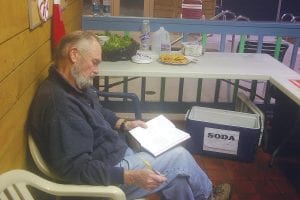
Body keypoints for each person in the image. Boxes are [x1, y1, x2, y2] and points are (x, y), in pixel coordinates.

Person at [28, 31, 231, 200]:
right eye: (95, 62)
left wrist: (124, 123)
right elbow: (75, 169)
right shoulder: (59, 106)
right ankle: (209, 195)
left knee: (177, 178)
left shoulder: (74, 86)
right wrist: (130, 176)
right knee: (179, 158)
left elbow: (98, 112)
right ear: (74, 55)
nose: (97, 70)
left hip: (116, 154)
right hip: (106, 177)